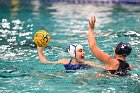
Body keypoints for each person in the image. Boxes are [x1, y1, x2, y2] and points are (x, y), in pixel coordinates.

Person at [37, 44, 104, 72]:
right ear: (73, 53)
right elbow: (45, 62)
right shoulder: (64, 61)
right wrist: (39, 49)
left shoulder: (88, 63)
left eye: (83, 51)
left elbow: (103, 68)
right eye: (80, 51)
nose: (83, 53)